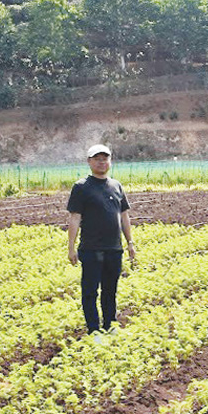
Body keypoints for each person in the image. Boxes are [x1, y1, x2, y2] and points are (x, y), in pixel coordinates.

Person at [67, 144, 136, 338]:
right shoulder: (81, 187)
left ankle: (110, 325)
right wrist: (71, 247)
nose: (101, 162)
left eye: (105, 158)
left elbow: (124, 216)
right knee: (90, 291)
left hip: (114, 248)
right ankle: (93, 329)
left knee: (110, 290)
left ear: (110, 161)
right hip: (91, 249)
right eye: (97, 159)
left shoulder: (116, 186)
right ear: (89, 162)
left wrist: (130, 242)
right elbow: (75, 217)